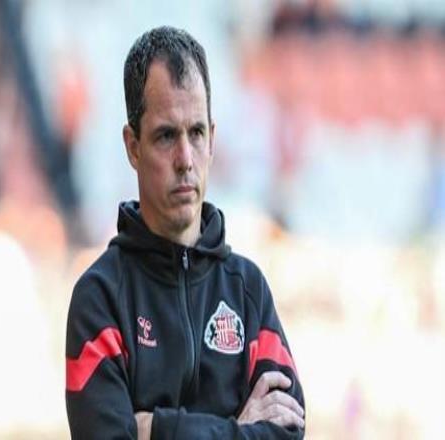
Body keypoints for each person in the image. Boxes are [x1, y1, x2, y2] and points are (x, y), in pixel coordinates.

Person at [65, 26, 305, 439]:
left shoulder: (248, 291)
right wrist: (239, 429)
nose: (185, 159)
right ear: (133, 146)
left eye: (196, 133)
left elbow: (289, 428)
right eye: (165, 136)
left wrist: (154, 428)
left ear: (212, 139)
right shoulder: (100, 299)